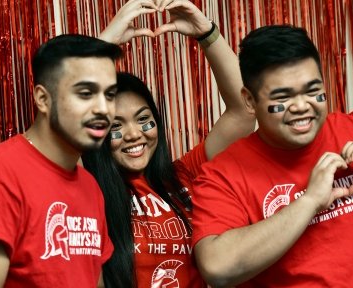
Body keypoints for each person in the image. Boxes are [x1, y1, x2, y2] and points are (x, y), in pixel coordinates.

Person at [191, 24, 353, 287]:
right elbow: (216, 267)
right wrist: (309, 202)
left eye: (313, 91)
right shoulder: (224, 173)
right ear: (249, 100)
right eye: (283, 97)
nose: (302, 106)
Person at [82, 0, 255, 287]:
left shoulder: (184, 175)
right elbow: (59, 121)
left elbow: (244, 109)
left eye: (143, 119)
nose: (134, 134)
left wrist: (206, 33)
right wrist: (103, 46)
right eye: (116, 126)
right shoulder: (84, 186)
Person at [0, 34, 122, 287]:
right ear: (43, 99)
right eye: (86, 93)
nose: (103, 109)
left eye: (109, 95)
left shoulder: (90, 186)